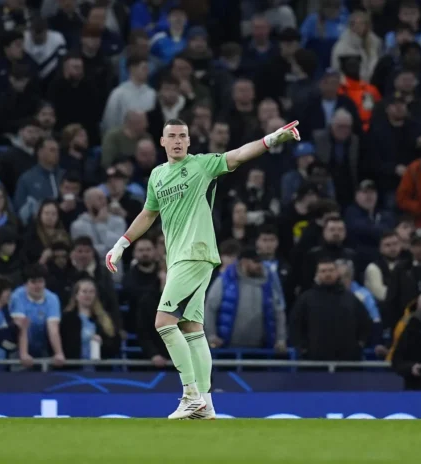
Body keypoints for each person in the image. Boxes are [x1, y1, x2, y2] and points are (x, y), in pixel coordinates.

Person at [105, 117, 300, 419]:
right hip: (179, 258)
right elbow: (148, 213)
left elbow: (238, 155)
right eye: (172, 136)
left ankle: (190, 394)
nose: (178, 141)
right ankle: (205, 403)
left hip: (195, 253)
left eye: (182, 136)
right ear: (162, 141)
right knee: (192, 328)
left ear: (189, 141)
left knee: (163, 322)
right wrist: (122, 244)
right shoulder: (157, 175)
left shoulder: (202, 165)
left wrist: (271, 140)